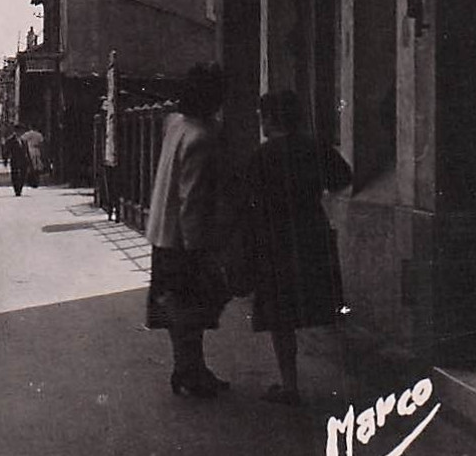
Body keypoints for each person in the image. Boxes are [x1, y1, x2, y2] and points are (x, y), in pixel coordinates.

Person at [240, 90, 352, 406]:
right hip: (310, 234)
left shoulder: (262, 156)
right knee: (323, 307)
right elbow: (343, 179)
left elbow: (248, 201)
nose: (261, 122)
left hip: (275, 238)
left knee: (281, 317)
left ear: (272, 118)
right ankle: (342, 387)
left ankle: (290, 385)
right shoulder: (314, 147)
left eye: (263, 116)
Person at [145, 62, 230, 399]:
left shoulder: (175, 124)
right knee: (194, 306)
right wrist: (200, 249)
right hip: (184, 239)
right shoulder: (202, 137)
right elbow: (191, 198)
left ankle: (188, 368)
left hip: (162, 233)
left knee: (180, 306)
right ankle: (190, 370)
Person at [6, 124, 30, 196]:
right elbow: (7, 150)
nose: (20, 133)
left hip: (23, 160)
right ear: (15, 131)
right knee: (15, 175)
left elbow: (27, 151)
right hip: (14, 160)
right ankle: (17, 190)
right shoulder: (10, 140)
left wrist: (29, 160)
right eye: (18, 131)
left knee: (23, 175)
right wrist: (6, 159)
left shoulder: (24, 140)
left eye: (21, 131)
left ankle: (20, 187)